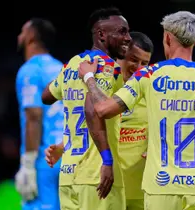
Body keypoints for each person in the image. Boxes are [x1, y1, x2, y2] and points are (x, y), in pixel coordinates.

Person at [78, 11, 195, 210]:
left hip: (160, 188)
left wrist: (89, 79)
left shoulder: (148, 74)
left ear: (167, 37)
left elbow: (103, 109)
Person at [42, 7, 131, 210]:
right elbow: (94, 110)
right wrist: (107, 161)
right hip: (97, 175)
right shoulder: (109, 67)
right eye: (122, 31)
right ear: (101, 34)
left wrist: (65, 74)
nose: (128, 38)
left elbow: (46, 96)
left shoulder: (73, 64)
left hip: (68, 175)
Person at [15, 18, 63, 210]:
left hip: (44, 160)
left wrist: (27, 164)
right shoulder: (61, 68)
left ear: (31, 37)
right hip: (66, 154)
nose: (19, 36)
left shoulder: (30, 70)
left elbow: (33, 116)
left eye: (22, 32)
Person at [117, 31, 153, 210]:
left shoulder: (152, 93)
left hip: (142, 193)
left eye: (144, 63)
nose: (139, 68)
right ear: (122, 54)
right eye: (134, 60)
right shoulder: (104, 88)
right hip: (109, 190)